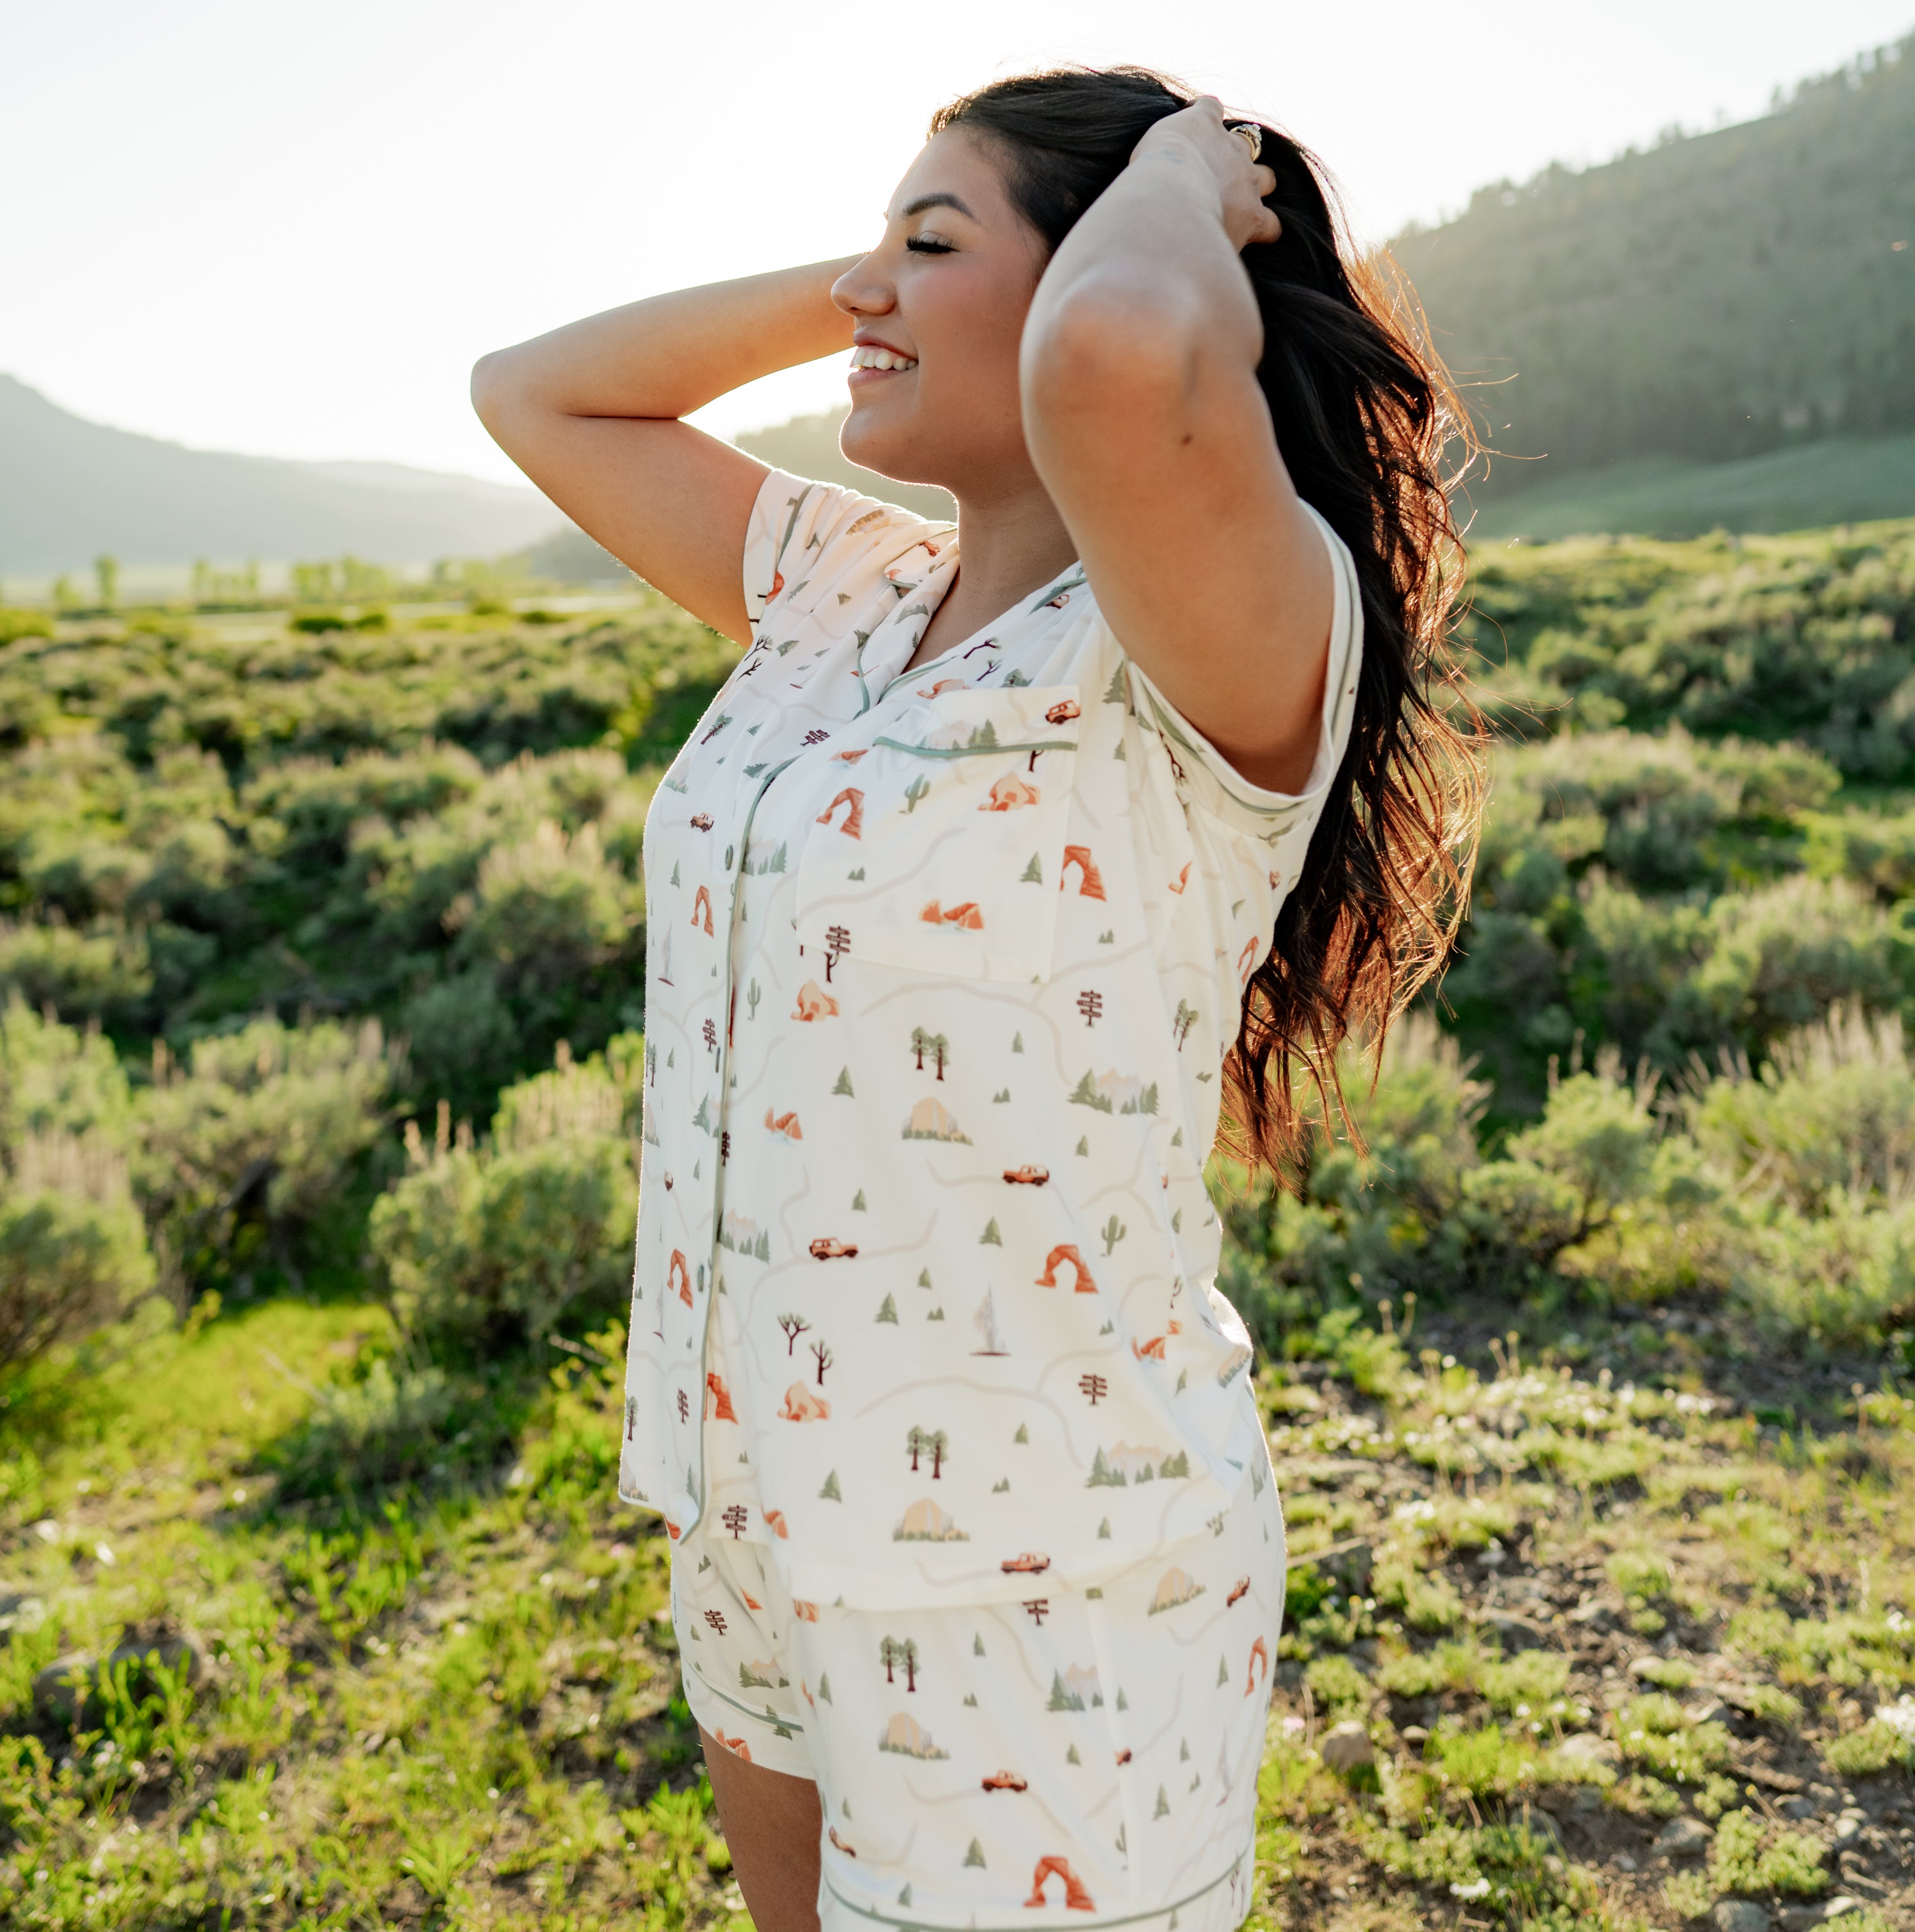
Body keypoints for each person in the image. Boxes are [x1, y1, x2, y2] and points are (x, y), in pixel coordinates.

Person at [473, 64, 1480, 1932]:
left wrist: (1189, 176)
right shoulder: (841, 586)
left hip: (1045, 1583)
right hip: (750, 1509)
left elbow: (1109, 356)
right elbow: (534, 391)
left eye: (935, 242)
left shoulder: (1217, 622)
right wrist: (888, 279)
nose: (869, 291)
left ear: (1118, 265)